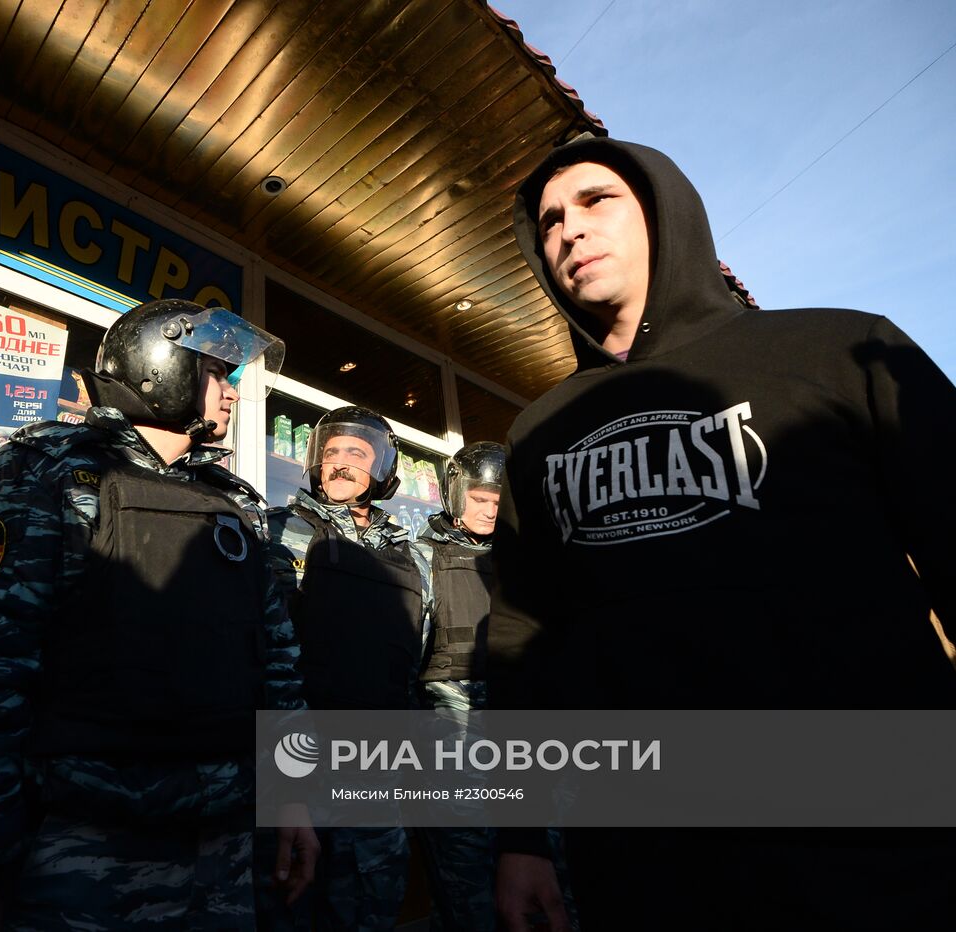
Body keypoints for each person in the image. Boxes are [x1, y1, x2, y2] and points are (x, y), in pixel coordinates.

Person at [488, 135, 956, 931]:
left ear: (666, 214)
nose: (567, 229)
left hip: (876, 838)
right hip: (646, 857)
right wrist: (522, 837)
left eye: (597, 200)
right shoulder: (536, 433)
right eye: (549, 221)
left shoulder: (838, 350)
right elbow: (523, 635)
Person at [0, 298, 318, 930]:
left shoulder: (234, 504)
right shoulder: (52, 473)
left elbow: (276, 664)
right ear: (161, 368)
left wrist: (293, 795)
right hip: (83, 845)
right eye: (215, 372)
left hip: (225, 844)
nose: (231, 392)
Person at [260, 406, 432, 931]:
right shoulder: (277, 531)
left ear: (381, 468)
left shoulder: (411, 554)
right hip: (300, 766)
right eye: (329, 453)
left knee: (371, 905)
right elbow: (262, 651)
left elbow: (417, 654)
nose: (339, 464)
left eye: (355, 454)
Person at [411, 442, 502, 931]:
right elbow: (406, 662)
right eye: (479, 498)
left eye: (498, 501)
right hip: (454, 765)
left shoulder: (527, 564)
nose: (489, 510)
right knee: (469, 901)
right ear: (455, 493)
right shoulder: (422, 558)